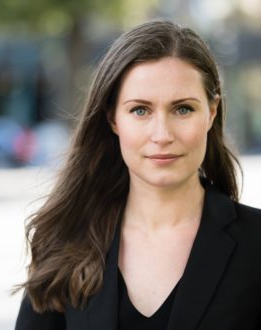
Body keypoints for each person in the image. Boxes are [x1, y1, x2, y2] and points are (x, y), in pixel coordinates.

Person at [15, 20, 261, 330]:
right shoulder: (65, 239)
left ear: (211, 113)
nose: (162, 134)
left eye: (183, 109)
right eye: (140, 110)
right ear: (112, 118)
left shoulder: (255, 243)